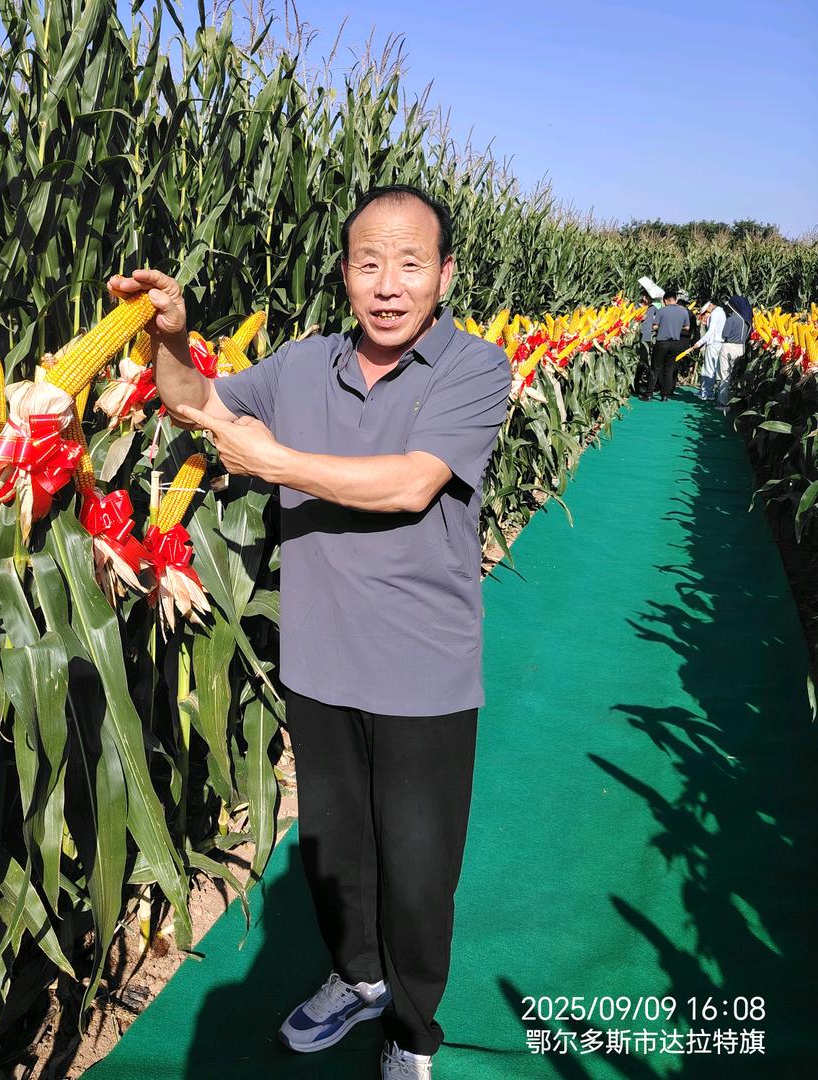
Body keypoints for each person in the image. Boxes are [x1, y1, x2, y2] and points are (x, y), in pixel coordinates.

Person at [110, 185, 511, 1080]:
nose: (389, 284)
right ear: (344, 274)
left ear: (444, 274)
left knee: (417, 867)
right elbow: (197, 404)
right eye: (369, 263)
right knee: (335, 852)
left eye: (411, 264)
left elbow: (411, 484)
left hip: (423, 672)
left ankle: (411, 1033)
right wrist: (170, 337)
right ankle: (356, 977)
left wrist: (274, 460)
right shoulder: (302, 367)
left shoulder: (474, 370)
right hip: (322, 662)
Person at [649, 289, 689, 400]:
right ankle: (665, 395)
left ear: (666, 300)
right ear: (676, 300)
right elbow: (687, 327)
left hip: (662, 342)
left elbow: (655, 326)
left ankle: (649, 393)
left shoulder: (662, 311)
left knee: (655, 367)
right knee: (669, 369)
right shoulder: (684, 312)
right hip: (675, 343)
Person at [718, 299, 748, 411]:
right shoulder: (747, 321)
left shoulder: (731, 319)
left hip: (729, 346)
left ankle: (723, 403)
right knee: (737, 375)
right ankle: (735, 402)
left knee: (725, 374)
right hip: (741, 348)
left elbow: (724, 334)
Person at [693, 300, 726, 400]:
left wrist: (699, 342)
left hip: (714, 343)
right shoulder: (720, 312)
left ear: (711, 305)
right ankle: (705, 390)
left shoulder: (716, 313)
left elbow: (711, 331)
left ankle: (707, 393)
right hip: (716, 342)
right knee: (709, 368)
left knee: (709, 369)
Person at [636, 290, 657, 397]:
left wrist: (654, 326)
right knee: (634, 360)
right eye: (650, 298)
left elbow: (658, 319)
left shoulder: (653, 308)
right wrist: (638, 319)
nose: (651, 300)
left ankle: (637, 384)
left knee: (643, 361)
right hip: (635, 337)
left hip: (647, 337)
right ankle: (633, 385)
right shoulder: (635, 306)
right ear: (644, 297)